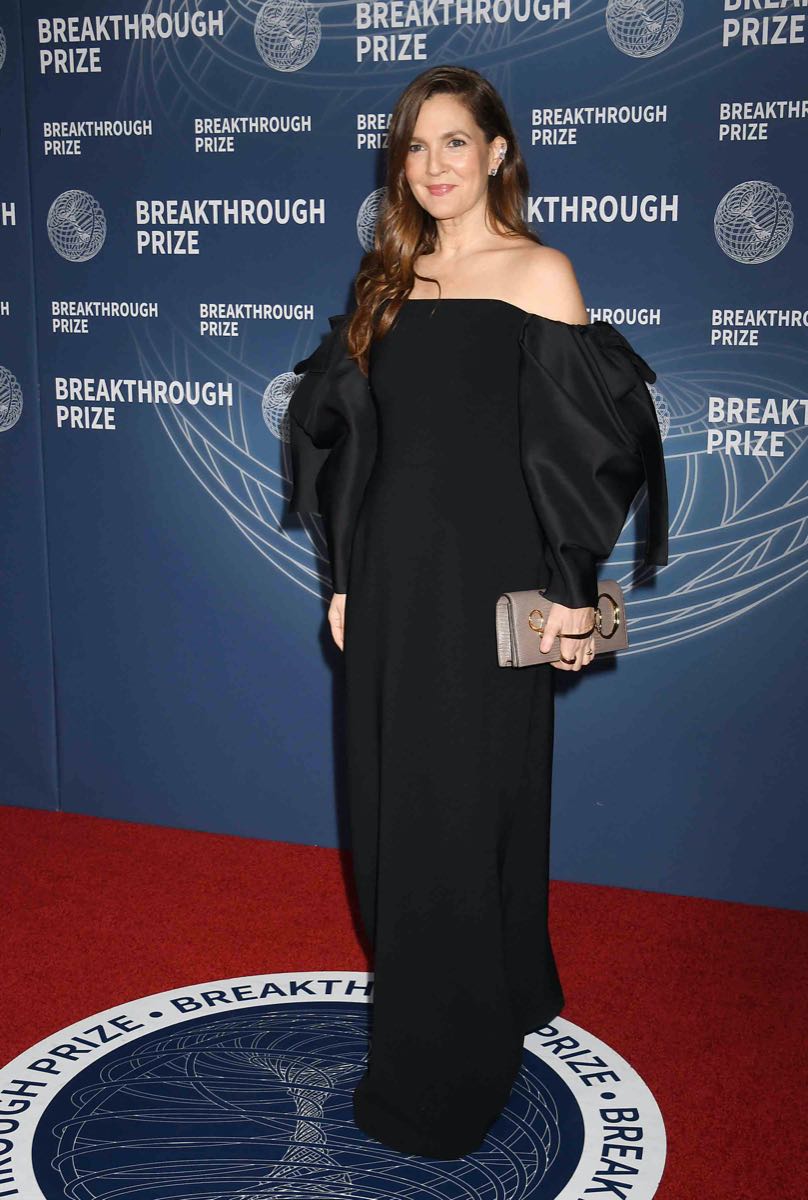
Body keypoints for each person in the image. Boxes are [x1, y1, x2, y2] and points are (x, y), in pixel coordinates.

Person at [287, 65, 669, 1160]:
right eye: (415, 146)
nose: (433, 165)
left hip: (487, 583)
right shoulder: (389, 278)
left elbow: (582, 449)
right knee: (390, 813)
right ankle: (503, 982)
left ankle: (443, 1073)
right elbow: (356, 445)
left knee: (456, 814)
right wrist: (344, 576)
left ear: (499, 152)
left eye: (455, 141)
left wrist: (571, 589)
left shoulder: (539, 272)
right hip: (391, 584)